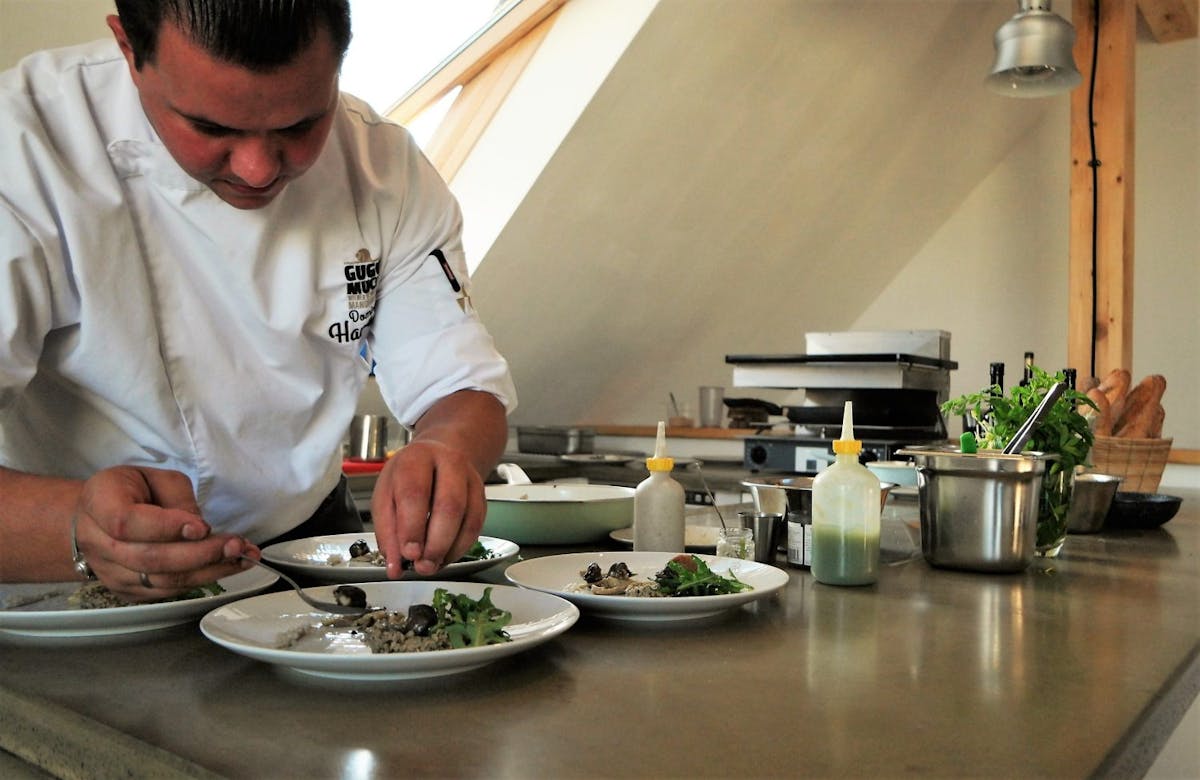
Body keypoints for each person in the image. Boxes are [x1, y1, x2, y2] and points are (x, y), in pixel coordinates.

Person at [0, 0, 517, 601]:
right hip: (66, 570)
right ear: (128, 49)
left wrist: (445, 451)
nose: (257, 169)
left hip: (310, 547)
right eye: (211, 128)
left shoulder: (383, 169)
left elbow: (460, 385)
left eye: (300, 126)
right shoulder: (22, 152)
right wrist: (76, 526)